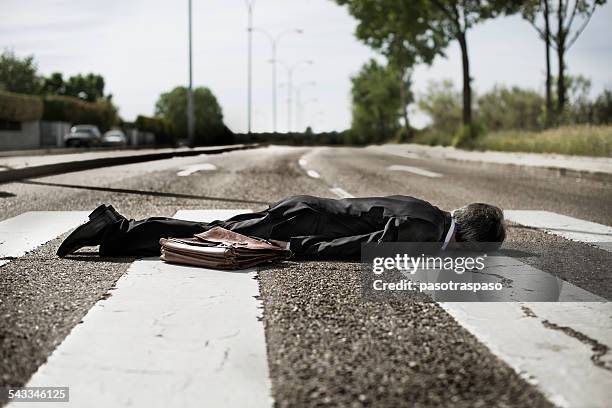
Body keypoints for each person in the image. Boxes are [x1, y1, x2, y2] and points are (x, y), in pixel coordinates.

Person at [57, 195, 505, 260]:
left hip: (303, 207)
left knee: (216, 227)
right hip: (302, 221)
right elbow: (358, 246)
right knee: (211, 235)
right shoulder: (424, 234)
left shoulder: (428, 211)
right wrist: (297, 247)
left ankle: (115, 229)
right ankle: (113, 231)